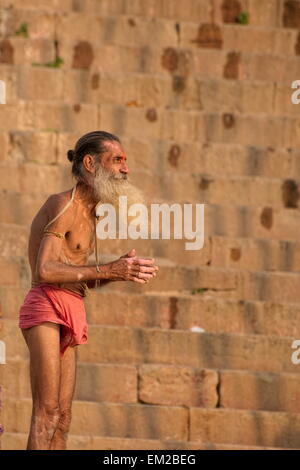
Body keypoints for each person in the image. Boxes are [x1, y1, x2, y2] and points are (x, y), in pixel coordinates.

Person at [18, 130, 159, 450]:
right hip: (46, 305)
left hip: (73, 305)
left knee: (64, 418)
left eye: (126, 161)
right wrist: (108, 268)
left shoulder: (92, 212)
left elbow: (80, 276)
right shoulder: (63, 204)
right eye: (117, 160)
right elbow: (45, 270)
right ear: (90, 164)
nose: (126, 169)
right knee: (47, 412)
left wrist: (120, 270)